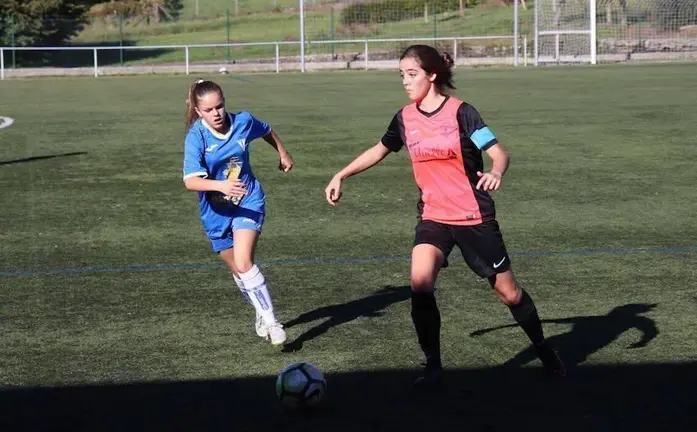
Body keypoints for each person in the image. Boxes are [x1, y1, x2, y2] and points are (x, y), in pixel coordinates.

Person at [324, 45, 565, 387]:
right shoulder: (404, 118)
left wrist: (496, 171)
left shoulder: (462, 113)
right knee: (420, 283)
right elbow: (380, 148)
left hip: (472, 216)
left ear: (432, 75)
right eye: (402, 75)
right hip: (433, 216)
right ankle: (433, 366)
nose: (405, 82)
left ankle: (543, 348)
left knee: (509, 294)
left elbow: (498, 152)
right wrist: (341, 174)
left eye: (412, 74)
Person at [183, 79, 294, 345]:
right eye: (208, 110)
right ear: (198, 111)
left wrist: (283, 153)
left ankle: (272, 322)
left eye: (219, 106)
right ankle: (260, 312)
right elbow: (190, 181)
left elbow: (266, 130)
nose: (216, 113)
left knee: (244, 263)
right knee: (238, 271)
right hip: (215, 212)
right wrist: (221, 185)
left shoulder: (243, 121)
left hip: (248, 201)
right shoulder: (196, 137)